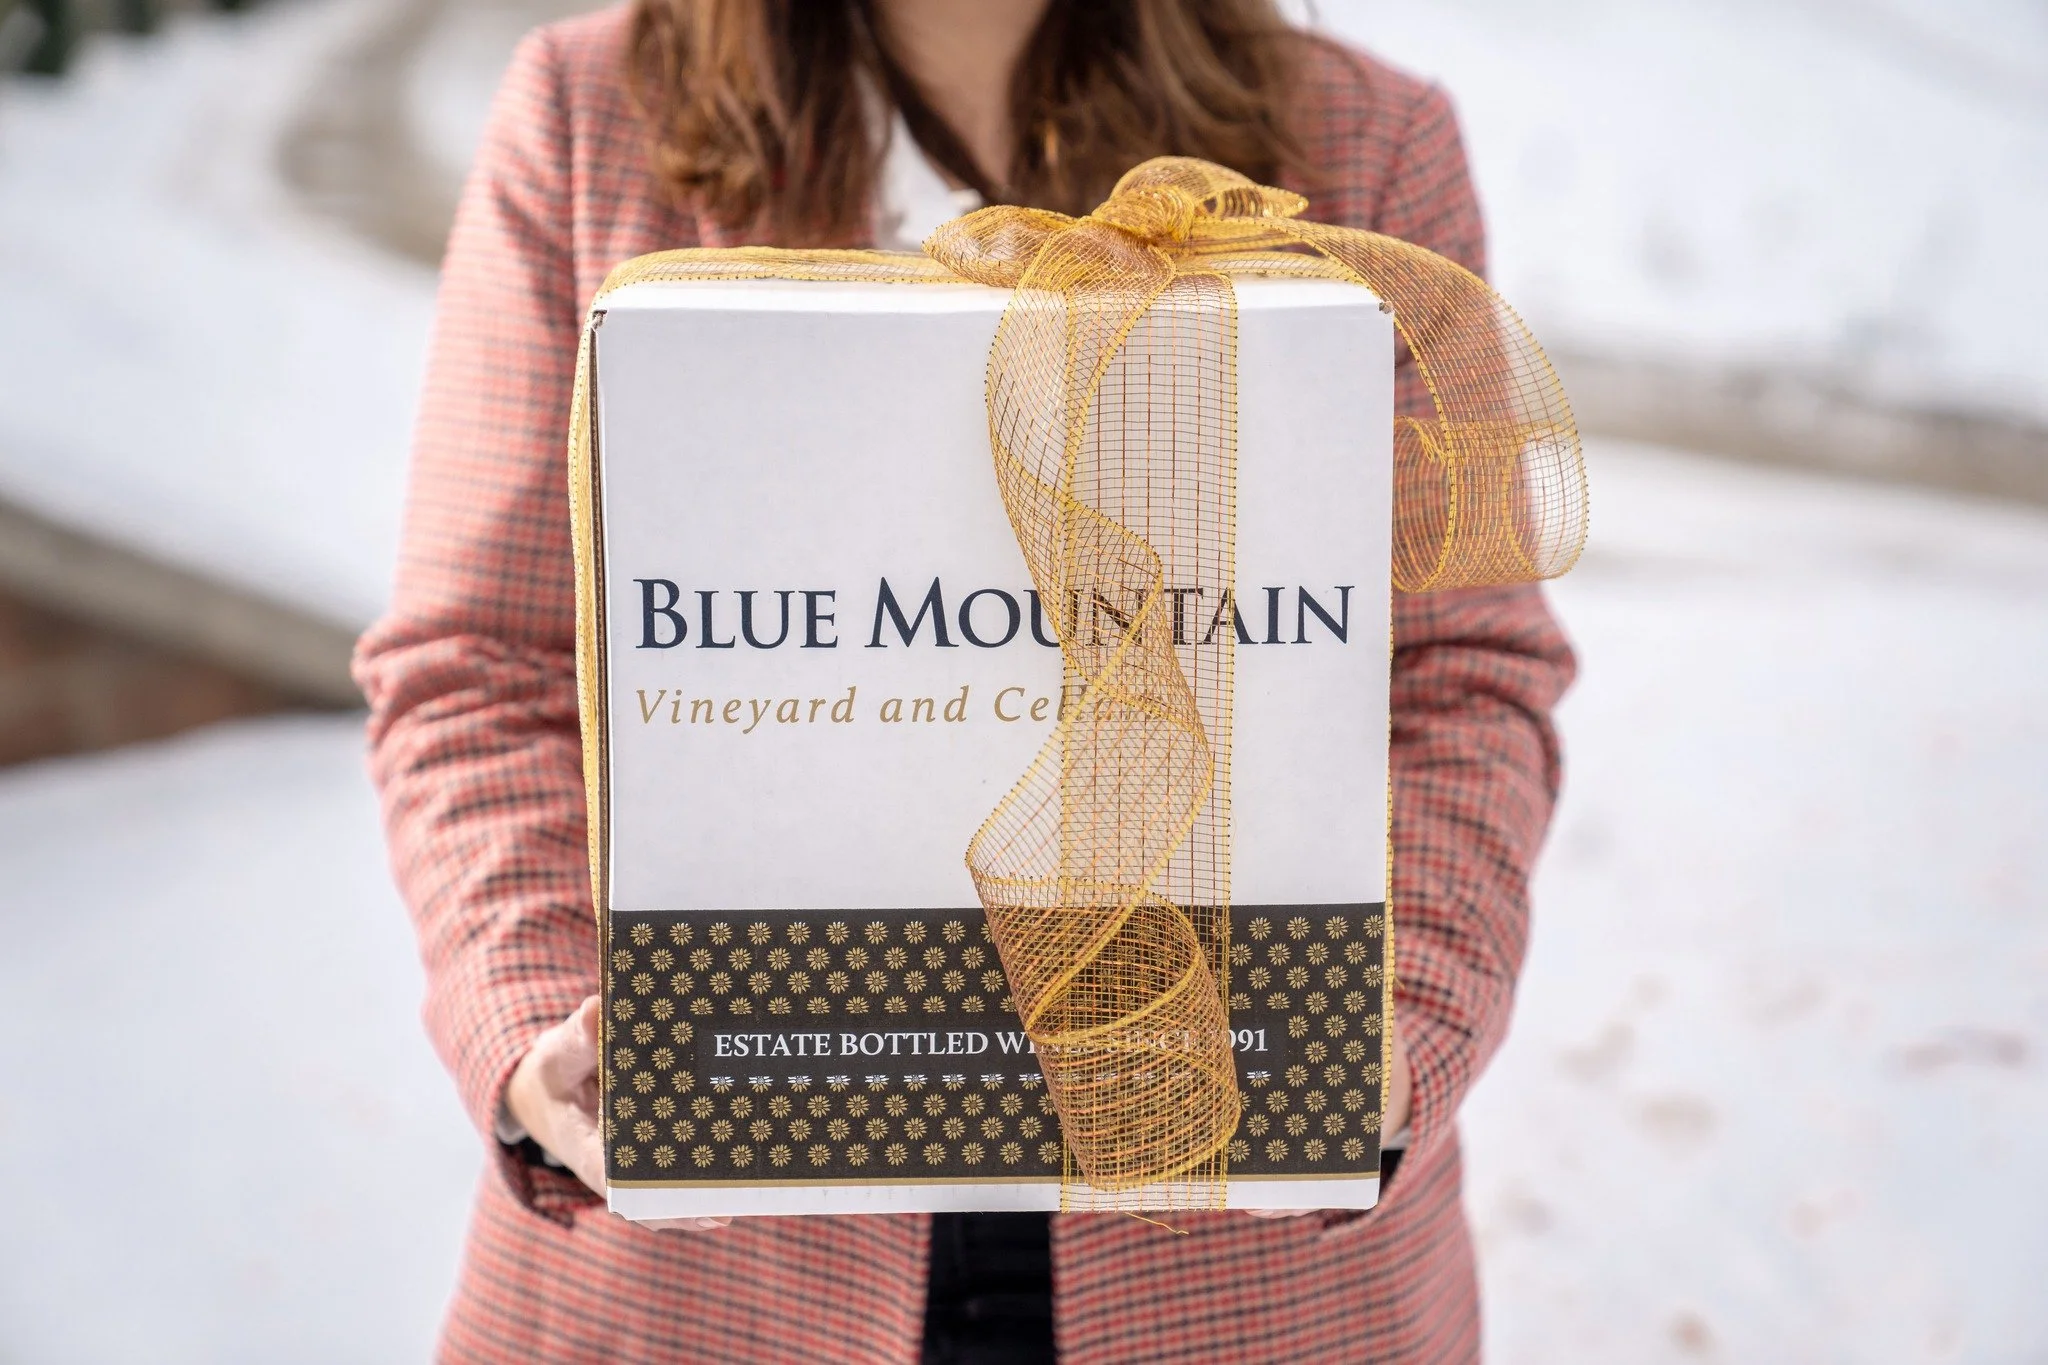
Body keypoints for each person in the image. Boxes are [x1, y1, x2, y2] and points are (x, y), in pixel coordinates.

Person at [354, 1, 1575, 1360]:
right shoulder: (590, 115)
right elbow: (478, 669)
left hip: (1245, 1256)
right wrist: (533, 1018)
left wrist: (1392, 1028)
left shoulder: (1365, 140)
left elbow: (1465, 675)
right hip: (708, 1269)